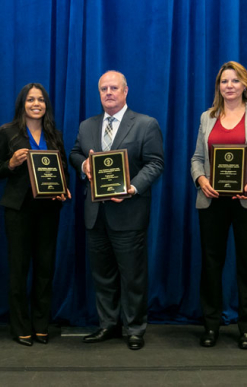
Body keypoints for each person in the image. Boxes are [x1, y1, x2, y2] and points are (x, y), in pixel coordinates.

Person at [190, 61, 247, 350]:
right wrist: (201, 179)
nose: (228, 86)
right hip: (212, 201)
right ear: (218, 86)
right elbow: (196, 159)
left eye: (234, 80)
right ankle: (211, 325)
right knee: (211, 266)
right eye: (223, 81)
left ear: (245, 84)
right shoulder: (208, 117)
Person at [70, 70, 164, 350]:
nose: (108, 93)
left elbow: (155, 163)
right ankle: (108, 324)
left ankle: (135, 328)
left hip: (129, 212)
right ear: (99, 93)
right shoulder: (87, 125)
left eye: (114, 88)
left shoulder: (146, 124)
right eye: (103, 89)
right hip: (95, 214)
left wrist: (132, 188)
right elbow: (75, 153)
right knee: (102, 274)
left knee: (133, 275)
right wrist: (83, 166)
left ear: (125, 91)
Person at [0, 83, 70, 347]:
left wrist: (64, 190)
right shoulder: (7, 132)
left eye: (41, 100)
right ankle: (20, 326)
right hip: (18, 210)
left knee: (45, 269)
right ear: (22, 104)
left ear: (46, 105)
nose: (36, 104)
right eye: (30, 99)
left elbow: (63, 173)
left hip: (49, 211)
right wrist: (11, 163)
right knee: (18, 269)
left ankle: (40, 324)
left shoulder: (55, 135)